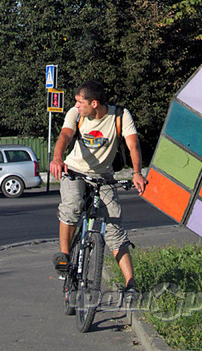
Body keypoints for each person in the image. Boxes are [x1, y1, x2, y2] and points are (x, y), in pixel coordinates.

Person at [49, 79, 147, 293]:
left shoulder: (120, 115)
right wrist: (57, 158)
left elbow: (133, 144)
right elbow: (65, 135)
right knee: (72, 208)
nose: (76, 105)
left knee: (114, 228)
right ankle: (65, 257)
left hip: (103, 176)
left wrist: (137, 173)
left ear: (94, 103)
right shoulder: (75, 114)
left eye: (80, 102)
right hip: (74, 171)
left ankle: (131, 284)